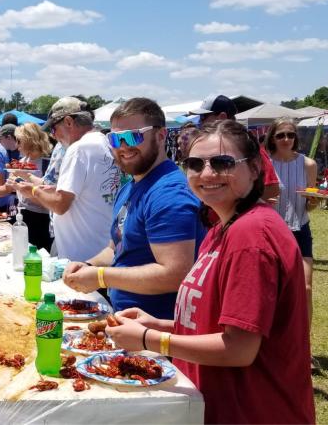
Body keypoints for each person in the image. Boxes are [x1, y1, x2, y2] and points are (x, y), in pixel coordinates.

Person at [106, 120, 314, 424]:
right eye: (194, 164)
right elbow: (215, 326)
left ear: (255, 168)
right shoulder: (221, 226)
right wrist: (161, 325)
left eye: (222, 162)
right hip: (214, 405)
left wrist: (150, 338)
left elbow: (239, 349)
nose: (207, 174)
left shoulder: (252, 235)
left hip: (255, 411)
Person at [61, 98, 204, 319]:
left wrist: (100, 277)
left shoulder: (169, 194)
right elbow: (116, 249)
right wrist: (87, 265)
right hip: (126, 323)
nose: (124, 146)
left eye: (133, 136)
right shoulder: (130, 186)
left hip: (156, 333)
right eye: (115, 139)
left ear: (160, 135)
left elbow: (176, 274)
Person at [11, 97, 120, 264]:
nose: (54, 135)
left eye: (54, 129)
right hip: (103, 250)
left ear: (68, 122)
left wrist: (33, 191)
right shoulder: (106, 142)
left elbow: (60, 204)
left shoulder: (78, 149)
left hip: (80, 257)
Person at [265, 117, 319, 367]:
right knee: (273, 290)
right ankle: (273, 344)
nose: (286, 139)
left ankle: (303, 348)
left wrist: (315, 199)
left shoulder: (308, 164)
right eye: (281, 135)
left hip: (300, 228)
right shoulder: (265, 162)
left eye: (290, 135)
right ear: (272, 138)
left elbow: (313, 201)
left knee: (305, 288)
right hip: (273, 232)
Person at [191, 94, 280, 203]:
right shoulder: (213, 148)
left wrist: (236, 209)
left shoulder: (248, 147)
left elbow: (272, 188)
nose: (200, 122)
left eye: (203, 117)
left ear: (222, 117)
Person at [0, 123, 53, 250]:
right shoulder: (20, 163)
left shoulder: (47, 164)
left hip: (41, 220)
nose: (16, 146)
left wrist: (24, 190)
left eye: (19, 141)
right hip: (22, 215)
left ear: (29, 140)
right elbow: (7, 188)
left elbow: (50, 200)